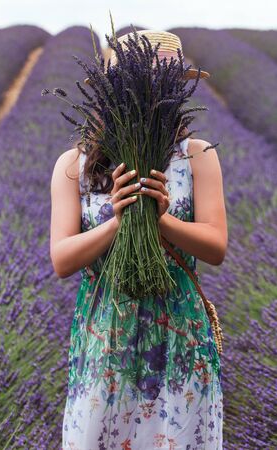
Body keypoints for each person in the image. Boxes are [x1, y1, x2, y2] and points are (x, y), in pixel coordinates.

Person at [51, 30, 228, 450]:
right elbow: (61, 260)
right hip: (105, 337)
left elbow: (216, 246)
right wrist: (116, 221)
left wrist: (162, 219)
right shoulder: (73, 165)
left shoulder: (197, 155)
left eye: (160, 86)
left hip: (179, 340)